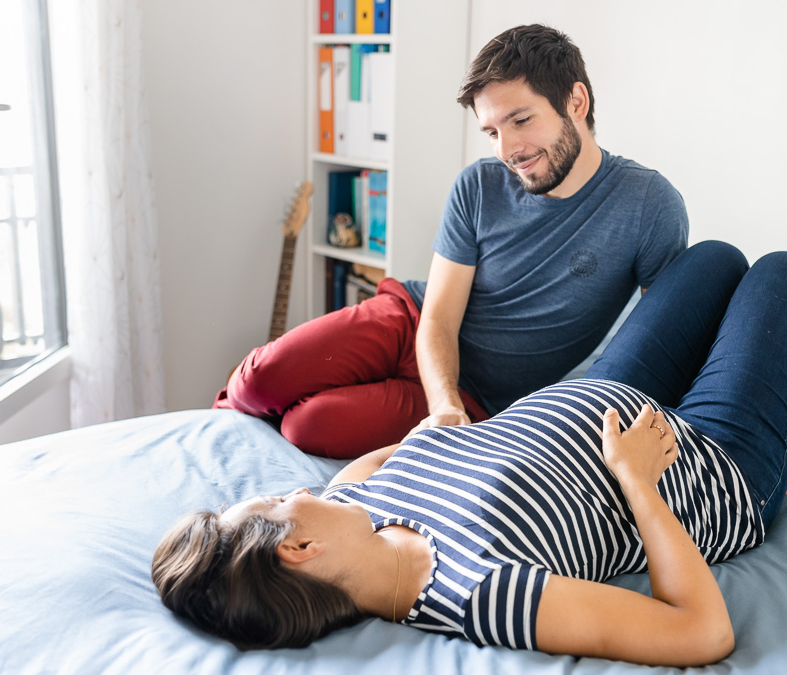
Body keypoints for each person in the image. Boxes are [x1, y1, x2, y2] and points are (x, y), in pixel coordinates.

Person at [154, 242, 787, 666]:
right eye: (281, 502)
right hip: (705, 467)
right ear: (299, 549)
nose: (295, 492)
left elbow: (415, 445)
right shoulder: (479, 592)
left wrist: (443, 419)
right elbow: (701, 631)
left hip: (608, 394)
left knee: (713, 261)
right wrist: (637, 482)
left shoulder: (351, 505)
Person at [213, 24, 689, 459]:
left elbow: (657, 347)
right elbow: (438, 317)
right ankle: (215, 435)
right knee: (259, 380)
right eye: (492, 132)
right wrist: (442, 408)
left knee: (306, 425)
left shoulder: (650, 205)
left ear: (576, 102)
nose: (507, 151)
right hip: (410, 323)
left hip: (478, 397)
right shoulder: (479, 185)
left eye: (521, 120)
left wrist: (454, 411)